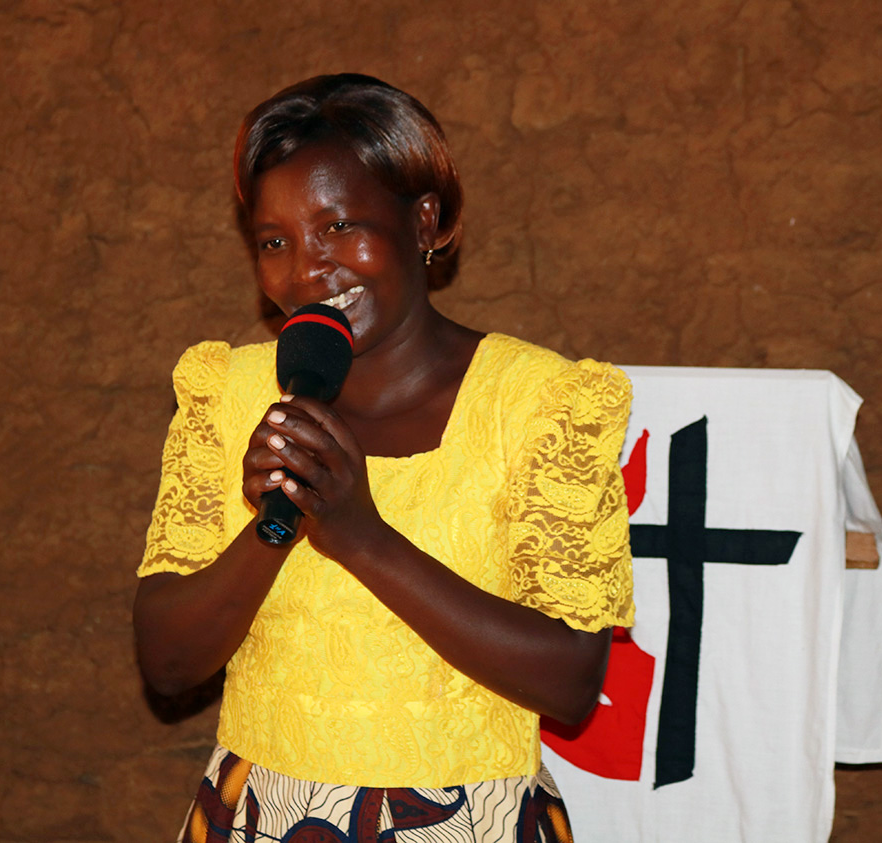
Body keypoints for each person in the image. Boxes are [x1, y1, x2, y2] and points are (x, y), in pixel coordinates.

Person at [132, 73, 634, 843]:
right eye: (275, 241)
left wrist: (361, 536)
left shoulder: (542, 403)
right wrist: (277, 521)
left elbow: (570, 680)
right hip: (264, 816)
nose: (306, 271)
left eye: (339, 227)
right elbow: (167, 664)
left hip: (472, 821)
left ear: (425, 221)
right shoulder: (227, 395)